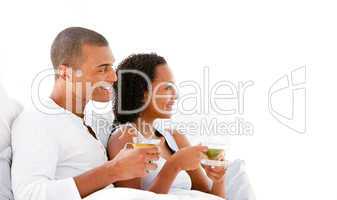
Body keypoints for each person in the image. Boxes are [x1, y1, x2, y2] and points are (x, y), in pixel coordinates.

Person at [11, 27, 160, 200]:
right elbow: (30, 195)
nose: (114, 77)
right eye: (102, 69)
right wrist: (114, 170)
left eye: (111, 67)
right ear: (65, 73)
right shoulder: (38, 119)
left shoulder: (89, 121)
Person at [108, 53, 226, 199]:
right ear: (143, 92)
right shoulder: (125, 137)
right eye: (167, 87)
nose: (175, 95)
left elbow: (210, 196)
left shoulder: (175, 137)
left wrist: (219, 179)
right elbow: (133, 197)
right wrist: (174, 165)